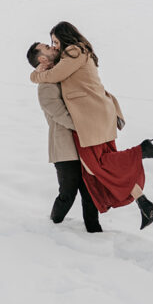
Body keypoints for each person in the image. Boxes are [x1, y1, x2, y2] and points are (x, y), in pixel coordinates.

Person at [28, 21, 153, 230]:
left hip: (90, 123)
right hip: (87, 126)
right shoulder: (61, 69)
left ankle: (142, 150)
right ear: (42, 58)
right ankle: (141, 201)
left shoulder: (72, 54)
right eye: (50, 45)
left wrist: (34, 75)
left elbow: (58, 81)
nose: (54, 46)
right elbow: (56, 109)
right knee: (97, 175)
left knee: (98, 168)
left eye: (54, 42)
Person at [27, 42, 102, 234]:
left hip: (81, 142)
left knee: (89, 190)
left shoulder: (60, 74)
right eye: (46, 47)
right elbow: (58, 114)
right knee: (68, 193)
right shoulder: (46, 84)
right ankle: (53, 227)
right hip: (64, 147)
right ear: (42, 59)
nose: (52, 47)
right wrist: (84, 127)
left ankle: (94, 231)